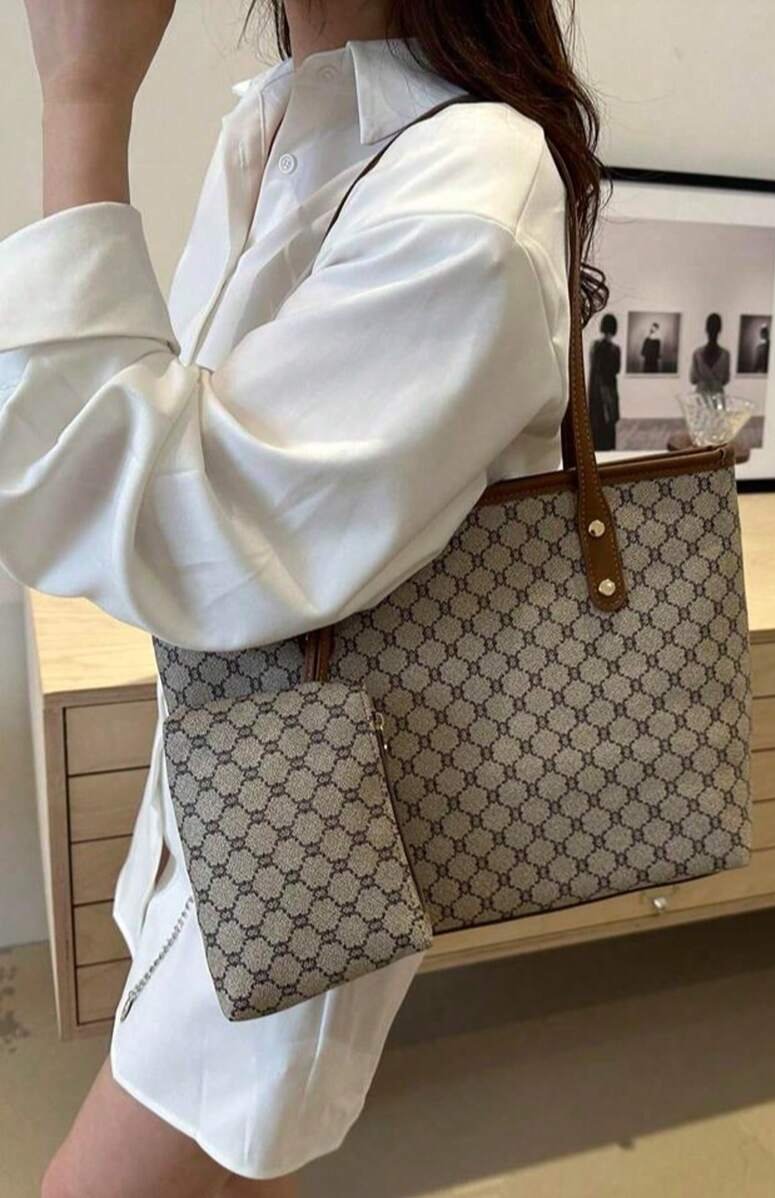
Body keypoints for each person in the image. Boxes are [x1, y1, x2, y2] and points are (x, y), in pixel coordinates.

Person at [0, 1, 610, 1194]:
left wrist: (82, 103)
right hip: (232, 789)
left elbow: (167, 521)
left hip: (315, 838)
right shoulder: (286, 127)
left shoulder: (466, 194)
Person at [588, 311, 621, 450]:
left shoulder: (595, 346)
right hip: (609, 391)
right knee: (609, 423)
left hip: (596, 392)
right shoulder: (615, 350)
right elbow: (616, 370)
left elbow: (594, 370)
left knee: (597, 423)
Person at [690, 312, 731, 394]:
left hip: (702, 394)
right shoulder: (725, 354)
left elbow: (693, 379)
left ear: (706, 329)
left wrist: (704, 379)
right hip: (717, 395)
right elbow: (725, 379)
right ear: (720, 330)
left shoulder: (697, 353)